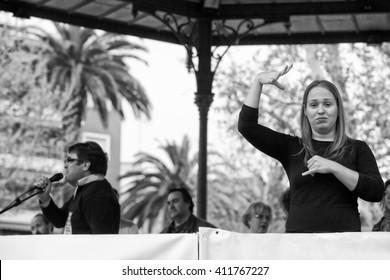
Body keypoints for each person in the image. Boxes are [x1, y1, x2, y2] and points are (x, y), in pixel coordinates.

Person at [238, 64, 384, 233]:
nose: (320, 110)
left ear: (338, 109)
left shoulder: (357, 148)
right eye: (313, 105)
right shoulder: (293, 147)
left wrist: (334, 167)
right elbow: (246, 126)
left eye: (327, 104)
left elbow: (376, 192)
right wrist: (258, 82)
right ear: (305, 111)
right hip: (300, 245)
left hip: (344, 244)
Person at [35, 141, 120, 234]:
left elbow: (103, 241)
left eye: (69, 160)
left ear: (85, 165)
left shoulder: (98, 194)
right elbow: (61, 220)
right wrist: (44, 198)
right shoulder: (86, 189)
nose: (65, 165)